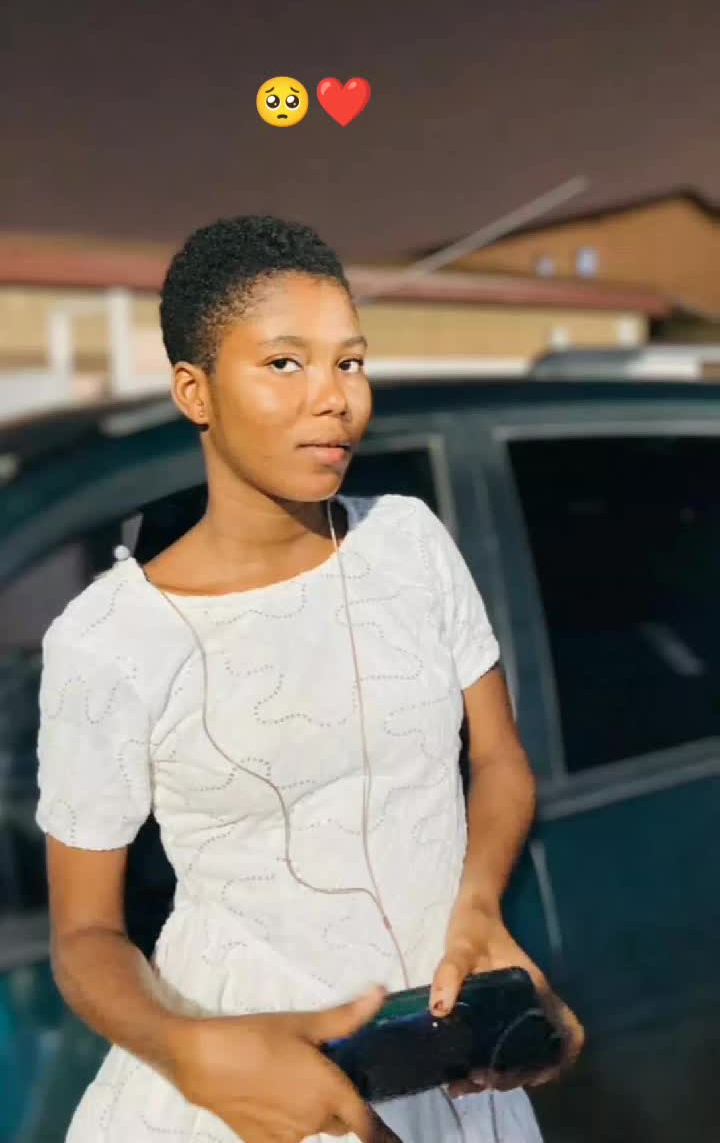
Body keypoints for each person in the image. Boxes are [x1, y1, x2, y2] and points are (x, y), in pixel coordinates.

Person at [36, 215, 583, 1143]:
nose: (334, 398)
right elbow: (85, 937)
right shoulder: (107, 641)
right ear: (195, 391)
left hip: (445, 1059)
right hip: (242, 1083)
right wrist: (186, 1051)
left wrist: (478, 905)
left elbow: (498, 762)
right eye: (285, 364)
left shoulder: (409, 543)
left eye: (350, 363)